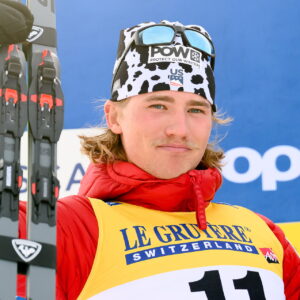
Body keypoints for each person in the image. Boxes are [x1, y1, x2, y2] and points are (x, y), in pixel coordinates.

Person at [18, 20, 300, 299]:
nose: (179, 129)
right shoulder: (74, 228)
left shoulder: (262, 231)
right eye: (158, 105)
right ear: (114, 117)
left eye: (196, 110)